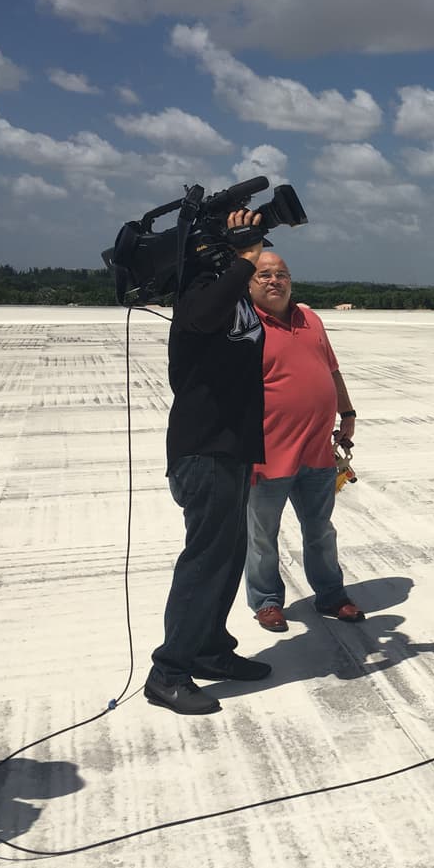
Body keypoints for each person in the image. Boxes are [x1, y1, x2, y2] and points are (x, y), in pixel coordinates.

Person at [145, 208, 273, 716]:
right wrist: (240, 259)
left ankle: (209, 650)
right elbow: (201, 316)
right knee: (204, 560)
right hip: (204, 448)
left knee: (229, 555)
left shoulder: (232, 295)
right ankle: (168, 671)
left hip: (234, 447)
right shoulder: (197, 291)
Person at [243, 250, 365, 634]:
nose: (274, 281)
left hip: (316, 451)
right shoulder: (243, 325)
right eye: (264, 275)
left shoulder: (310, 318)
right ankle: (266, 602)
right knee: (262, 535)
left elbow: (332, 370)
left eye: (282, 274)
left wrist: (347, 413)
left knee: (321, 530)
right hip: (267, 454)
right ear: (248, 282)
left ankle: (331, 595)